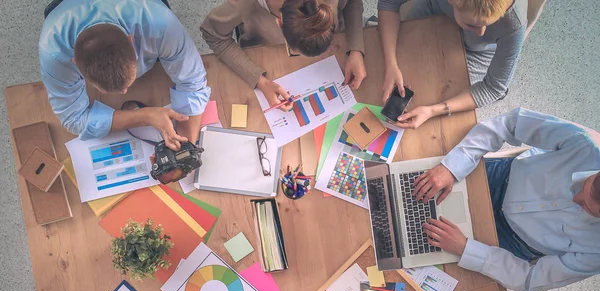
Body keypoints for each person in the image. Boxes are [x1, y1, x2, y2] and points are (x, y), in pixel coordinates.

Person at [411, 108, 600, 291]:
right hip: (497, 179)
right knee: (409, 189)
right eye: (582, 184)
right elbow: (512, 122)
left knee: (415, 258)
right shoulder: (585, 145)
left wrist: (466, 250)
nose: (575, 198)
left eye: (587, 209)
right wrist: (453, 167)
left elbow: (530, 279)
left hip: (509, 245)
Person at [39, 0, 211, 149]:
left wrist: (186, 145)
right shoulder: (53, 53)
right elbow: (73, 119)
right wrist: (144, 116)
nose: (125, 92)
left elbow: (193, 83)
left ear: (130, 39)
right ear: (74, 62)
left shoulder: (161, 24)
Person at [377, 0, 527, 129]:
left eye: (489, 24)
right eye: (473, 24)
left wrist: (434, 111)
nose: (481, 33)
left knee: (438, 99)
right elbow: (388, 2)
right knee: (390, 75)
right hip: (431, 15)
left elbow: (494, 88)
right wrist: (391, 64)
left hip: (476, 53)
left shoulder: (514, 24)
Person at [201, 0, 366, 110]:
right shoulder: (244, 4)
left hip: (339, 51)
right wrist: (259, 81)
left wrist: (356, 49)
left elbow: (353, 2)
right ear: (279, 23)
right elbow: (211, 33)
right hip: (265, 55)